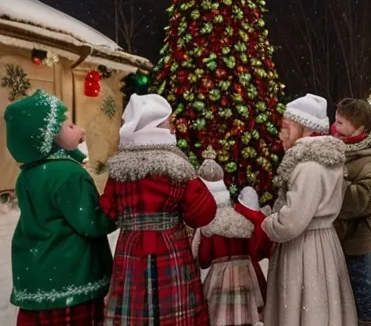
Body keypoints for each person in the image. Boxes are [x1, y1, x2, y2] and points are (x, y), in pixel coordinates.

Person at [100, 93, 217, 325]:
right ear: (155, 126)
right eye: (168, 122)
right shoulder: (177, 166)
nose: (173, 128)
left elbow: (108, 211)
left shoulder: (120, 169)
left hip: (131, 249)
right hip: (170, 247)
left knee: (131, 307)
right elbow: (203, 211)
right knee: (174, 308)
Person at [4, 89, 114, 326]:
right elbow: (92, 222)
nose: (81, 129)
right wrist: (116, 209)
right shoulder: (68, 174)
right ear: (49, 134)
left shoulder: (27, 175)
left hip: (39, 275)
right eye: (71, 125)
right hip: (72, 277)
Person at [262, 93, 358, 326]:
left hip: (306, 248)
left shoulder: (309, 167)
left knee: (308, 303)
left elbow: (293, 221)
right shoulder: (322, 162)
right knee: (320, 303)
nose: (281, 133)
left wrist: (267, 223)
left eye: (287, 127)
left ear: (305, 129)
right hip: (321, 243)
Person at [332, 98, 371, 326]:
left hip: (356, 242)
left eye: (342, 123)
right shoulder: (337, 149)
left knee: (361, 292)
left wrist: (335, 186)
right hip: (337, 238)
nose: (335, 127)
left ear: (361, 129)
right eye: (335, 120)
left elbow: (370, 195)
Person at [195, 151, 264, 325]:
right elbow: (254, 248)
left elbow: (204, 259)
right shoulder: (241, 215)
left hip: (220, 277)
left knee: (220, 317)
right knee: (246, 316)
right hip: (245, 273)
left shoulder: (209, 222)